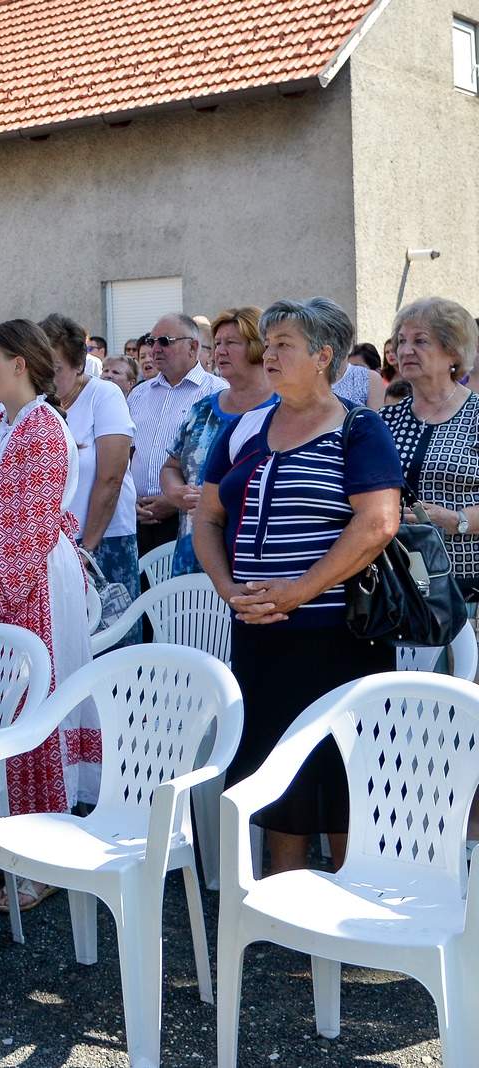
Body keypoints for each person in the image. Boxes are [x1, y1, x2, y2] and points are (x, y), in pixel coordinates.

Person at [194, 297, 401, 875]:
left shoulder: (359, 429)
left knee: (340, 772)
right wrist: (229, 588)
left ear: (324, 356)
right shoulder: (244, 429)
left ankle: (352, 899)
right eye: (272, 343)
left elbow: (378, 523)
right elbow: (207, 517)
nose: (270, 354)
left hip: (335, 634)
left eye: (285, 344)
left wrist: (300, 590)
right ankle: (279, 906)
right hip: (259, 628)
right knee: (271, 765)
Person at [0, 320, 93, 908]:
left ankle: (42, 856)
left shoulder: (44, 430)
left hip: (31, 584)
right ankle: (3, 844)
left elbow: (29, 529)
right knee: (0, 711)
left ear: (19, 365)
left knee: (32, 705)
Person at [160, 308, 278, 576]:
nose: (220, 351)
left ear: (259, 347)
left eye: (232, 343)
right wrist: (177, 493)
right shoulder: (202, 411)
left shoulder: (283, 412)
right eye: (217, 344)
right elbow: (171, 467)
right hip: (192, 557)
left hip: (252, 561)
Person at [379, 297, 479, 598]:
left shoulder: (476, 414)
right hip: (401, 585)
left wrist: (456, 520)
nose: (405, 350)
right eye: (401, 341)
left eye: (420, 341)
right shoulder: (384, 420)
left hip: (467, 584)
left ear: (452, 352)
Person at [43, 314, 137, 624]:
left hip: (101, 540)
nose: (44, 376)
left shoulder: (104, 395)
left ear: (79, 365)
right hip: (53, 545)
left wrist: (87, 550)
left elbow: (111, 478)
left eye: (54, 369)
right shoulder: (40, 401)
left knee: (110, 641)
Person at [128, 314, 226, 555]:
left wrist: (173, 499)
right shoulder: (139, 394)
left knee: (184, 592)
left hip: (189, 518)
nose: (155, 349)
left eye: (165, 341)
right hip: (137, 517)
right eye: (152, 342)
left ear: (193, 346)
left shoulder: (218, 394)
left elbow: (223, 461)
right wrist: (130, 499)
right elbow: (126, 455)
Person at [332, 340, 387, 410]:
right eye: (349, 366)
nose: (352, 372)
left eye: (359, 367)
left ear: (377, 371)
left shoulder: (371, 380)